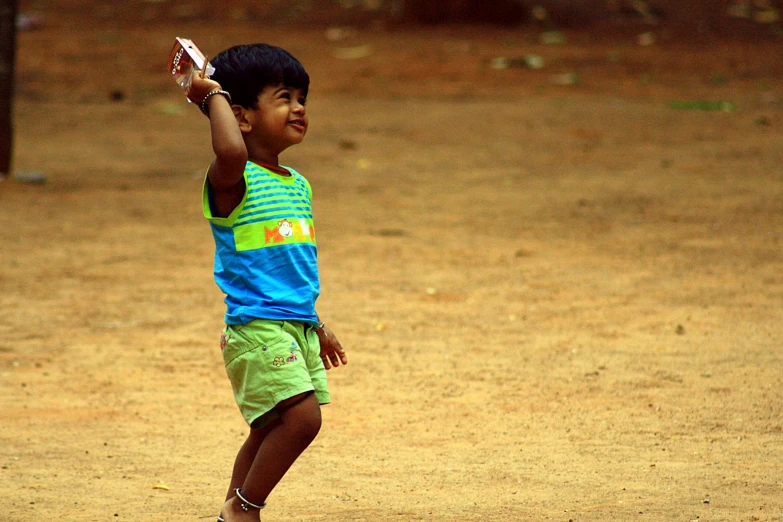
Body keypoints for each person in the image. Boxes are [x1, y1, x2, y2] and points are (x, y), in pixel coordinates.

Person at [186, 43, 348, 522]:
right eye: (283, 97)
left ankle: (230, 513)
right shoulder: (231, 179)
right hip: (256, 328)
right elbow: (230, 148)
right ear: (243, 116)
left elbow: (291, 269)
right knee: (302, 419)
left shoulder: (297, 183)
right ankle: (246, 508)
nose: (299, 108)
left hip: (293, 326)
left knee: (269, 426)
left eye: (302, 99)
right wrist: (210, 96)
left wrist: (316, 324)